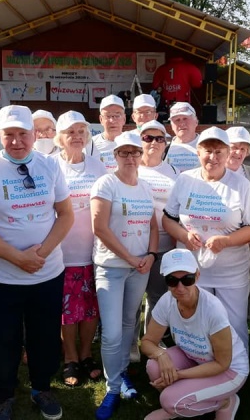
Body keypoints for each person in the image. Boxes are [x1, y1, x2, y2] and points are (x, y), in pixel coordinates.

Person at [0, 105, 74, 420]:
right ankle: (4, 395)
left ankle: (42, 388)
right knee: (3, 339)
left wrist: (39, 255)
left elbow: (66, 215)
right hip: (4, 278)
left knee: (45, 334)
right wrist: (18, 258)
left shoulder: (50, 165)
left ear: (34, 134)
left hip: (47, 273)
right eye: (8, 134)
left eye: (23, 134)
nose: (16, 141)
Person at [162, 126, 250, 347]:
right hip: (191, 270)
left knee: (233, 323)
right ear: (198, 152)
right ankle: (198, 362)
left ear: (227, 154)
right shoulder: (185, 180)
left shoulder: (240, 185)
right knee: (194, 322)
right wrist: (184, 235)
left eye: (219, 151)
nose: (213, 157)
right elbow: (168, 219)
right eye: (208, 151)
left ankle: (236, 364)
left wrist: (227, 241)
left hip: (231, 271)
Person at [90, 131, 158, 420]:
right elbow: (99, 227)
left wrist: (151, 255)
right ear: (115, 156)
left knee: (129, 323)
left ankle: (120, 374)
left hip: (140, 268)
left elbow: (153, 226)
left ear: (141, 155)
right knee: (112, 332)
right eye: (123, 153)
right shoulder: (106, 183)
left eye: (134, 152)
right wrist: (131, 258)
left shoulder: (145, 187)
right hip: (111, 268)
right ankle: (112, 389)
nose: (130, 157)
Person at [140, 249, 247, 420]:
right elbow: (147, 342)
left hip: (230, 370)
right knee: (154, 367)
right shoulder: (167, 301)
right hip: (195, 357)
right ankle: (181, 401)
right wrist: (161, 355)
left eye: (187, 279)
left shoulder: (212, 309)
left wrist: (179, 375)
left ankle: (224, 402)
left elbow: (222, 363)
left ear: (197, 276)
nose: (180, 288)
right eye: (172, 280)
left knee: (168, 400)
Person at [53, 110, 105, 387]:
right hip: (61, 253)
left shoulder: (98, 166)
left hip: (93, 252)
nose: (76, 136)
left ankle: (86, 354)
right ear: (59, 137)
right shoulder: (50, 165)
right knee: (67, 310)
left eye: (81, 131)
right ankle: (70, 357)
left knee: (90, 308)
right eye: (70, 132)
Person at [130, 120, 179, 361]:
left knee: (158, 299)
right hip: (135, 247)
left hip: (165, 246)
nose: (154, 143)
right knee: (131, 303)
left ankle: (151, 342)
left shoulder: (174, 172)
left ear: (166, 143)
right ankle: (130, 347)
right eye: (148, 138)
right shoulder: (131, 168)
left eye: (160, 138)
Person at [90, 95, 126, 173]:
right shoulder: (91, 145)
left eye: (117, 115)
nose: (112, 120)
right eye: (108, 116)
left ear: (124, 119)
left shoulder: (133, 143)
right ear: (101, 119)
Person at [225, 126, 250, 203]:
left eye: (243, 149)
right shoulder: (213, 170)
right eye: (234, 147)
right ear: (224, 149)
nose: (238, 152)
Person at [165, 102, 201, 173]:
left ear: (196, 121)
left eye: (185, 118)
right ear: (171, 125)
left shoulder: (206, 145)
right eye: (177, 120)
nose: (182, 123)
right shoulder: (163, 147)